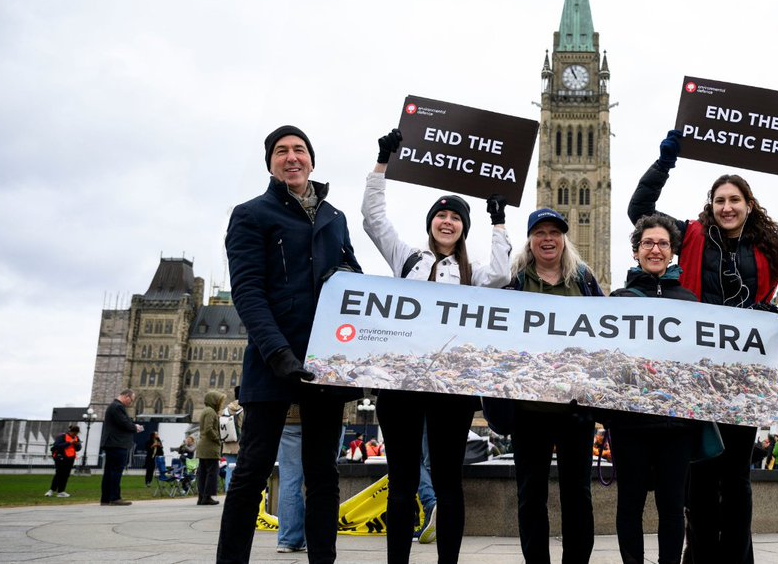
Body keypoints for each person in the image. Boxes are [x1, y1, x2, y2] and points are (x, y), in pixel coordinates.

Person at [627, 131, 778, 563]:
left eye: (735, 200)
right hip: (697, 374)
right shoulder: (692, 234)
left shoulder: (771, 245)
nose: (727, 207)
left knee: (736, 478)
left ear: (748, 205)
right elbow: (639, 212)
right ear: (711, 205)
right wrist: (665, 163)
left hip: (746, 375)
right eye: (720, 200)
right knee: (698, 476)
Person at [362, 128, 512, 563]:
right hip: (402, 386)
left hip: (451, 388)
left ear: (462, 228)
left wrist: (498, 222)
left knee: (448, 482)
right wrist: (382, 163)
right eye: (441, 216)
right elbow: (374, 219)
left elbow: (502, 275)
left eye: (455, 218)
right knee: (403, 479)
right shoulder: (407, 258)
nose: (447, 222)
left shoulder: (474, 271)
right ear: (431, 223)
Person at [218, 124, 362, 564]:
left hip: (325, 363)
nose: (292, 157)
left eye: (300, 150)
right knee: (253, 469)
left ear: (312, 161)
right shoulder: (251, 214)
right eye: (282, 151)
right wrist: (277, 352)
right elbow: (247, 292)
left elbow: (353, 273)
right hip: (272, 361)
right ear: (271, 163)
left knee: (323, 474)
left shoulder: (334, 217)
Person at [501, 207, 604, 564]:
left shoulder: (584, 281)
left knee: (578, 495)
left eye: (555, 232)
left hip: (574, 410)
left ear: (564, 238)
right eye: (540, 232)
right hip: (529, 410)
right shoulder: (514, 281)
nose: (548, 239)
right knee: (531, 495)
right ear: (530, 240)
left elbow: (606, 332)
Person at [607, 213, 699, 564]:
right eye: (648, 243)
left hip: (676, 425)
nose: (655, 249)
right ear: (636, 251)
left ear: (672, 252)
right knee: (629, 505)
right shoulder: (617, 300)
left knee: (672, 508)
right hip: (630, 423)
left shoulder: (690, 301)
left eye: (662, 243)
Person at [100, 388, 143, 506]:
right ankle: (114, 497)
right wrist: (135, 427)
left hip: (112, 443)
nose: (131, 403)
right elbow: (123, 423)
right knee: (116, 471)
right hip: (117, 443)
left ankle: (106, 498)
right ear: (126, 396)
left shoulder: (113, 406)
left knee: (109, 471)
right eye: (131, 400)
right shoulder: (118, 407)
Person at [275, 405, 307, 554]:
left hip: (290, 415)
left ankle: (288, 540)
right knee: (322, 480)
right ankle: (316, 540)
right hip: (327, 411)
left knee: (289, 479)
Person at [197, 390, 224, 506]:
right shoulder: (211, 412)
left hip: (203, 446)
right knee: (212, 472)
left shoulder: (206, 411)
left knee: (203, 472)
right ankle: (207, 496)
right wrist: (217, 438)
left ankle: (202, 496)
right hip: (209, 447)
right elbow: (208, 429)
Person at [47, 424, 81, 498]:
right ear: (71, 431)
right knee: (59, 474)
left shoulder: (76, 437)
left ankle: (61, 491)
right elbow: (57, 446)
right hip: (61, 457)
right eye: (74, 433)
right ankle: (51, 490)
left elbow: (78, 448)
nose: (75, 435)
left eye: (77, 433)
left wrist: (77, 444)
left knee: (66, 475)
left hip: (70, 458)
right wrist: (69, 443)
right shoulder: (62, 436)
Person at [220, 393, 244, 491]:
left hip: (227, 444)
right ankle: (237, 493)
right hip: (240, 444)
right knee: (241, 470)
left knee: (229, 470)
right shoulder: (243, 409)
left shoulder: (225, 410)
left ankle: (228, 493)